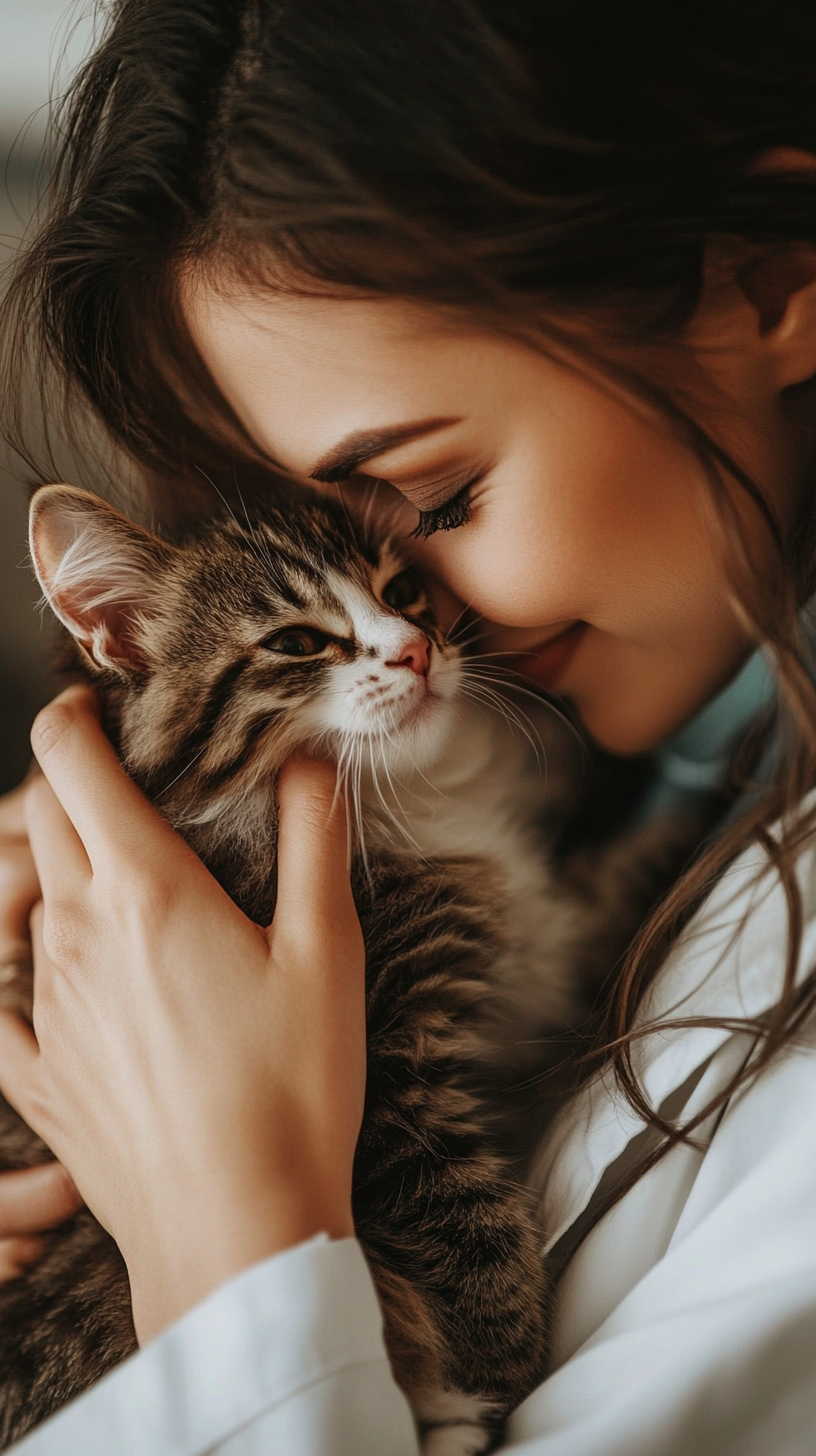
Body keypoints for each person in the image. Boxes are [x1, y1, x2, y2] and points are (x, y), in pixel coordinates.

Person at [2, 0, 816, 1449]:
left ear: (767, 278)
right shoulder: (659, 750)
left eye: (433, 508)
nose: (430, 620)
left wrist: (223, 1245)